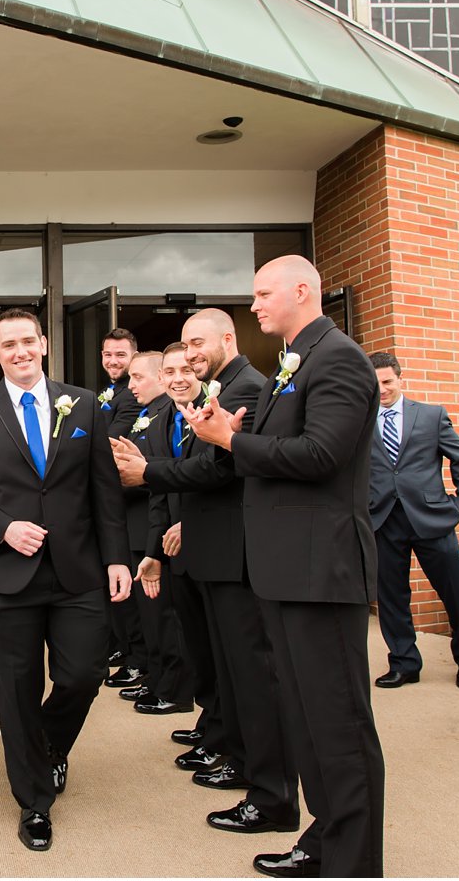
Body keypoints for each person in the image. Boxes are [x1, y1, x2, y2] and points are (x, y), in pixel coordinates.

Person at [186, 256, 384, 878]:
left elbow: (322, 453)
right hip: (284, 570)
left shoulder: (339, 358)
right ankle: (324, 841)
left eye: (263, 293)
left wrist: (231, 442)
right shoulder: (293, 362)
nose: (255, 306)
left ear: (303, 291)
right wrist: (229, 429)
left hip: (319, 571)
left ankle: (353, 863)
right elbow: (284, 447)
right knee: (304, 719)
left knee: (338, 724)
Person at [0, 308, 130, 853]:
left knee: (84, 673)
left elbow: (104, 490)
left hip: (79, 570)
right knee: (16, 688)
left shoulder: (85, 404)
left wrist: (117, 556)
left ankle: (45, 747)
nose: (21, 351)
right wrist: (3, 526)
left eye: (29, 341)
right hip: (8, 577)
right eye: (9, 344)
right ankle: (34, 802)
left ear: (43, 344)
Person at [125, 317, 297, 837]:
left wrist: (146, 471)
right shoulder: (227, 386)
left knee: (253, 679)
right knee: (232, 675)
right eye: (186, 345)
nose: (192, 355)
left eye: (198, 344)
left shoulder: (246, 388)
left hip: (236, 558)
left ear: (228, 339)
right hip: (214, 555)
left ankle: (269, 792)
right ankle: (239, 758)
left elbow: (219, 470)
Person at [365, 352, 459, 689]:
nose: (382, 389)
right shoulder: (359, 420)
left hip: (432, 518)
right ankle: (404, 663)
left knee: (456, 593)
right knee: (391, 598)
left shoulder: (431, 415)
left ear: (400, 379)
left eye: (387, 381)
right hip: (383, 520)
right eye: (375, 384)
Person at [108, 351, 192, 716]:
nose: (131, 386)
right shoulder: (149, 415)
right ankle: (155, 677)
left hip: (156, 525)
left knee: (163, 616)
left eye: (139, 377)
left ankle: (172, 687)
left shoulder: (167, 415)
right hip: (143, 523)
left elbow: (162, 473)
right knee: (147, 614)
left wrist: (132, 475)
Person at [97, 329, 146, 685]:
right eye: (108, 354)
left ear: (134, 355)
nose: (113, 361)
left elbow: (110, 441)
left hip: (130, 501)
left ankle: (136, 654)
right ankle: (122, 645)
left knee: (130, 586)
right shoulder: (110, 393)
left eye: (120, 355)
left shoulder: (130, 396)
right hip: (116, 502)